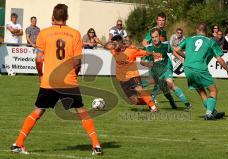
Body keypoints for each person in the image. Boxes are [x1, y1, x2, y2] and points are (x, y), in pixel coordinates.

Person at [10, 4, 102, 155]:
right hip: (68, 81)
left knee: (38, 111)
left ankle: (18, 144)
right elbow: (78, 61)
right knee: (81, 111)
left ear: (53, 16)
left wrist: (40, 75)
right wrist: (76, 73)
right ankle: (96, 146)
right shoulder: (75, 34)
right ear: (67, 17)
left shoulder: (44, 33)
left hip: (49, 81)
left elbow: (39, 59)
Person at [174, 22, 228, 120]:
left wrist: (186, 57)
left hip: (188, 68)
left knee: (202, 92)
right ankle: (209, 114)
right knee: (213, 90)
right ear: (206, 31)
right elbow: (219, 59)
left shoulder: (188, 39)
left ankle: (213, 112)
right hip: (199, 68)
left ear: (197, 30)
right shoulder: (211, 41)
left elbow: (176, 50)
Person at [102, 35, 160, 112]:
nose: (113, 45)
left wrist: (153, 54)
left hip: (133, 75)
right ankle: (150, 102)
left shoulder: (131, 50)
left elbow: (144, 52)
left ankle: (153, 108)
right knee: (134, 101)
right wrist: (99, 41)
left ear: (121, 42)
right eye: (113, 44)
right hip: (122, 78)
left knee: (139, 89)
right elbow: (106, 46)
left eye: (115, 43)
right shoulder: (113, 50)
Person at [141, 28, 191, 110]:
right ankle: (171, 101)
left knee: (170, 83)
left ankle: (187, 104)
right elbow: (142, 62)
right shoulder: (148, 48)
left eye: (156, 36)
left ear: (159, 36)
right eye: (152, 37)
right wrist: (148, 64)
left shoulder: (166, 45)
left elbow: (173, 51)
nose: (154, 39)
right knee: (164, 89)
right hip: (156, 71)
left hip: (166, 67)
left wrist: (181, 58)